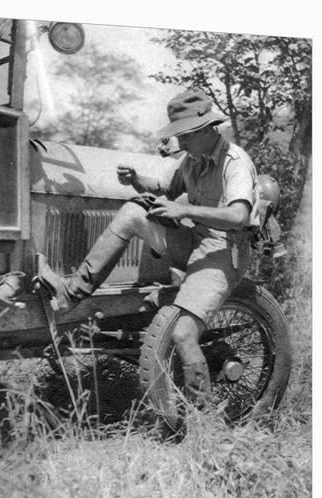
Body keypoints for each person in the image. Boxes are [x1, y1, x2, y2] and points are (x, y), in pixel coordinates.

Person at [39, 89, 260, 404]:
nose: (179, 144)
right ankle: (71, 293)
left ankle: (200, 419)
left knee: (183, 334)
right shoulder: (193, 159)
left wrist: (183, 210)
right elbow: (166, 188)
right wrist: (136, 180)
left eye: (184, 136)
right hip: (194, 239)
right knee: (132, 211)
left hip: (225, 249)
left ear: (207, 129)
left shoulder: (235, 162)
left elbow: (238, 215)